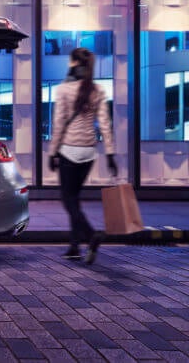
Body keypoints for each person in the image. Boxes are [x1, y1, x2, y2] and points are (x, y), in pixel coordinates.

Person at [48, 47, 117, 265]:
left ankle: (90, 234)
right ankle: (74, 246)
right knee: (75, 199)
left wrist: (52, 152)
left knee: (68, 200)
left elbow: (59, 124)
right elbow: (105, 124)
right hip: (89, 152)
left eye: (70, 61)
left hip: (69, 149)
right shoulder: (96, 89)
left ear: (75, 63)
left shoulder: (63, 90)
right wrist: (110, 154)